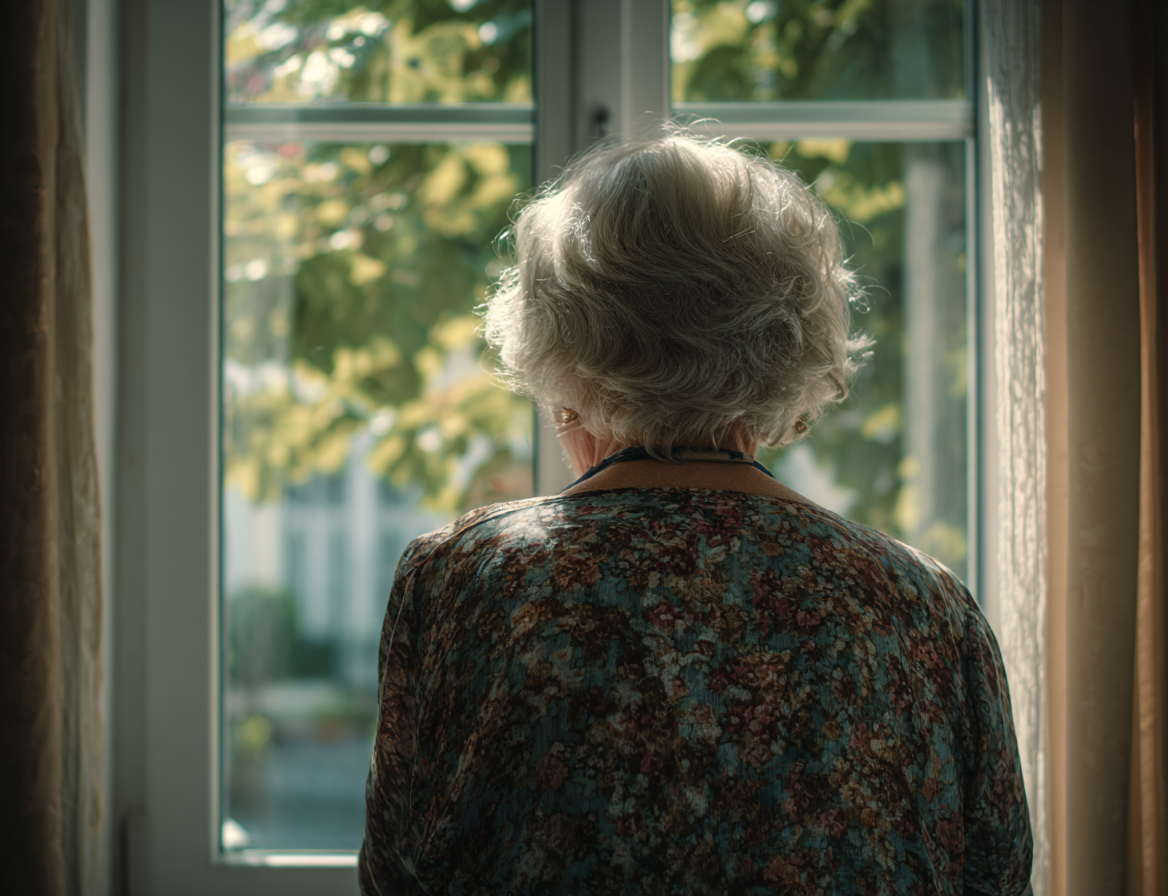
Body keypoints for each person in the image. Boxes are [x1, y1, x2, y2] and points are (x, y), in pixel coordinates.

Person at [359, 134, 1032, 895]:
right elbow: (997, 878)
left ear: (561, 349)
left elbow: (395, 879)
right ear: (792, 342)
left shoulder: (462, 579)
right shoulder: (923, 605)